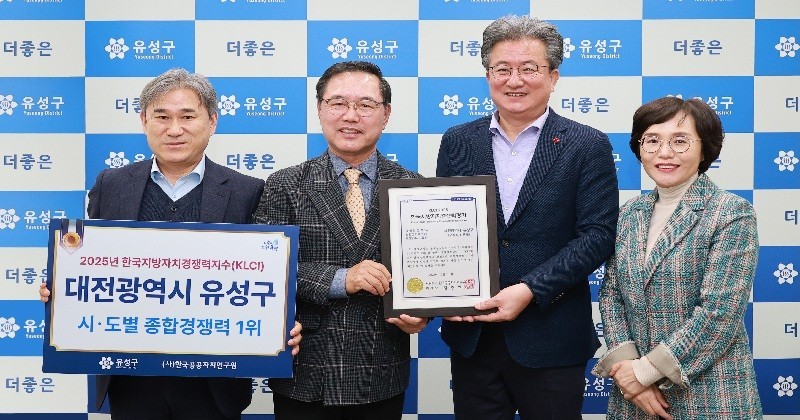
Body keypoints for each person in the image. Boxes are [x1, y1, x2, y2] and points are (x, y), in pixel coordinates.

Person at [39, 67, 302, 420]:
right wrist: (64, 287)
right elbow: (90, 262)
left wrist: (279, 320)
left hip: (213, 381)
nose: (174, 129)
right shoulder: (111, 185)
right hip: (130, 375)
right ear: (144, 121)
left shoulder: (247, 190)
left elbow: (264, 278)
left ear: (212, 121)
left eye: (187, 116)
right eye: (162, 117)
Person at [436, 15, 619, 420]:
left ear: (553, 77)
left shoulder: (587, 144)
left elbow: (598, 235)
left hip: (550, 334)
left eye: (529, 69)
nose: (514, 81)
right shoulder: (457, 141)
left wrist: (530, 289)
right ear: (488, 75)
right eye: (502, 69)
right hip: (473, 334)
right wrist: (440, 293)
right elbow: (445, 229)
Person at [252, 61, 428, 420]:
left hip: (379, 371)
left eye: (365, 105)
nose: (351, 116)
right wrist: (341, 279)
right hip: (305, 374)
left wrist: (422, 315)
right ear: (320, 110)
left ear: (386, 114)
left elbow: (428, 269)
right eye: (338, 103)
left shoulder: (412, 187)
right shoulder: (285, 185)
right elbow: (264, 270)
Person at [592, 96, 762, 419]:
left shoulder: (731, 212)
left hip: (709, 395)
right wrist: (631, 373)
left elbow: (718, 314)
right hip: (634, 401)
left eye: (680, 141)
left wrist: (644, 372)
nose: (665, 152)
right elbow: (612, 295)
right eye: (652, 140)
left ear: (705, 149)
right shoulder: (629, 214)